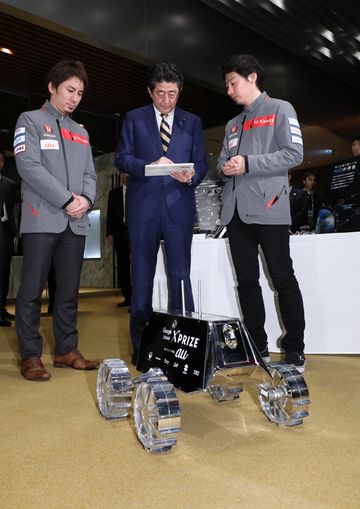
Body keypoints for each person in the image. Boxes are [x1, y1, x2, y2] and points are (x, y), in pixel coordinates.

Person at [217, 54, 306, 372]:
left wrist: (249, 163)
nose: (229, 90)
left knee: (283, 278)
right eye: (227, 84)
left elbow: (295, 153)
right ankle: (257, 345)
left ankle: (295, 348)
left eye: (233, 83)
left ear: (252, 77)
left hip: (269, 209)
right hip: (236, 213)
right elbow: (223, 162)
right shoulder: (232, 125)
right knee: (247, 282)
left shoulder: (281, 109)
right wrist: (227, 168)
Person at [114, 62, 207, 362]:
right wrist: (147, 167)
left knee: (180, 277)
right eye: (160, 94)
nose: (166, 101)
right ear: (150, 91)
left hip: (178, 207)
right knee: (141, 278)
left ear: (180, 92)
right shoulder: (134, 118)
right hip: (144, 208)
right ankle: (142, 349)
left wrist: (191, 176)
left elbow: (201, 163)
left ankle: (183, 348)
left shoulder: (192, 122)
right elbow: (122, 158)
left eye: (172, 94)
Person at [14, 59, 98, 381]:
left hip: (76, 222)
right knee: (32, 290)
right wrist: (66, 199)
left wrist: (86, 200)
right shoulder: (30, 121)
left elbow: (90, 173)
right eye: (69, 90)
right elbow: (29, 167)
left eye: (79, 92)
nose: (75, 98)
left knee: (68, 291)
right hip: (42, 219)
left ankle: (66, 350)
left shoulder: (81, 132)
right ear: (52, 88)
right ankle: (31, 355)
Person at [106, 172, 132, 308]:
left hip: (135, 232)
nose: (124, 177)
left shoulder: (137, 191)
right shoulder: (114, 193)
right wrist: (109, 233)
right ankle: (127, 297)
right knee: (123, 267)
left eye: (127, 175)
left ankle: (137, 299)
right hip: (119, 234)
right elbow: (109, 214)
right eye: (122, 175)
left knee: (137, 266)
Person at [0, 149, 16, 326]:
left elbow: (13, 210)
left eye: (2, 160)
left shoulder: (10, 184)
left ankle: (2, 308)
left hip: (6, 230)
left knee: (5, 272)